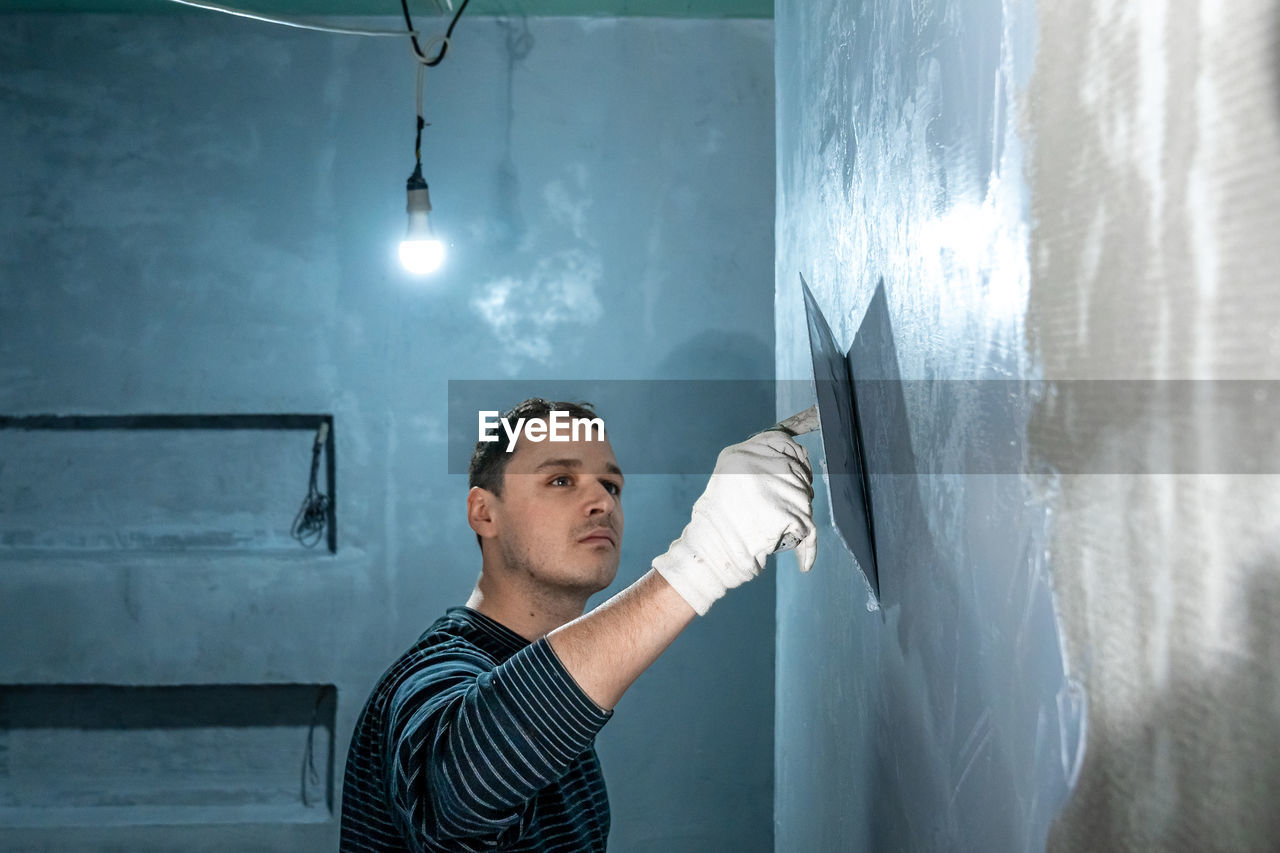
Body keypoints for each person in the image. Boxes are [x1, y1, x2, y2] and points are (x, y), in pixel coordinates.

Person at [339, 397, 816, 852]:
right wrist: (706, 558)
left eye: (611, 485)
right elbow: (461, 793)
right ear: (484, 512)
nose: (602, 503)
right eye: (561, 480)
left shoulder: (563, 692)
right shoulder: (432, 673)